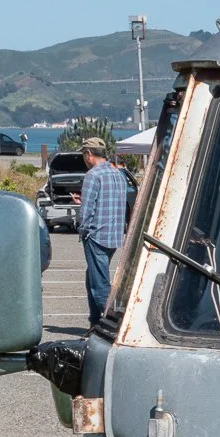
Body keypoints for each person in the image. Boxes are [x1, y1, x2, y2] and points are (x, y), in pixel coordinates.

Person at [76, 136, 132, 327]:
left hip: (97, 236)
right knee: (93, 278)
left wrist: (83, 231)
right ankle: (95, 322)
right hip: (114, 236)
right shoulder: (118, 174)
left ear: (88, 154)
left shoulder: (93, 175)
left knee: (99, 286)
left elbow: (86, 212)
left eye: (84, 155)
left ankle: (113, 325)